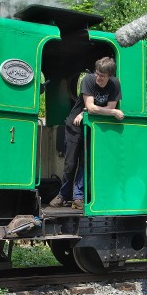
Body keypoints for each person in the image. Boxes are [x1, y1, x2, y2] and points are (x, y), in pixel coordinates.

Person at [49, 57, 124, 210]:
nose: (98, 78)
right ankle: (63, 194)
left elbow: (107, 107)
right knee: (70, 163)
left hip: (93, 127)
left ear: (110, 76)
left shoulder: (115, 84)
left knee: (86, 162)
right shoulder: (88, 80)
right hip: (74, 125)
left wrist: (93, 112)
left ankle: (78, 197)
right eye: (97, 74)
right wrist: (112, 112)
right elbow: (92, 107)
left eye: (102, 76)